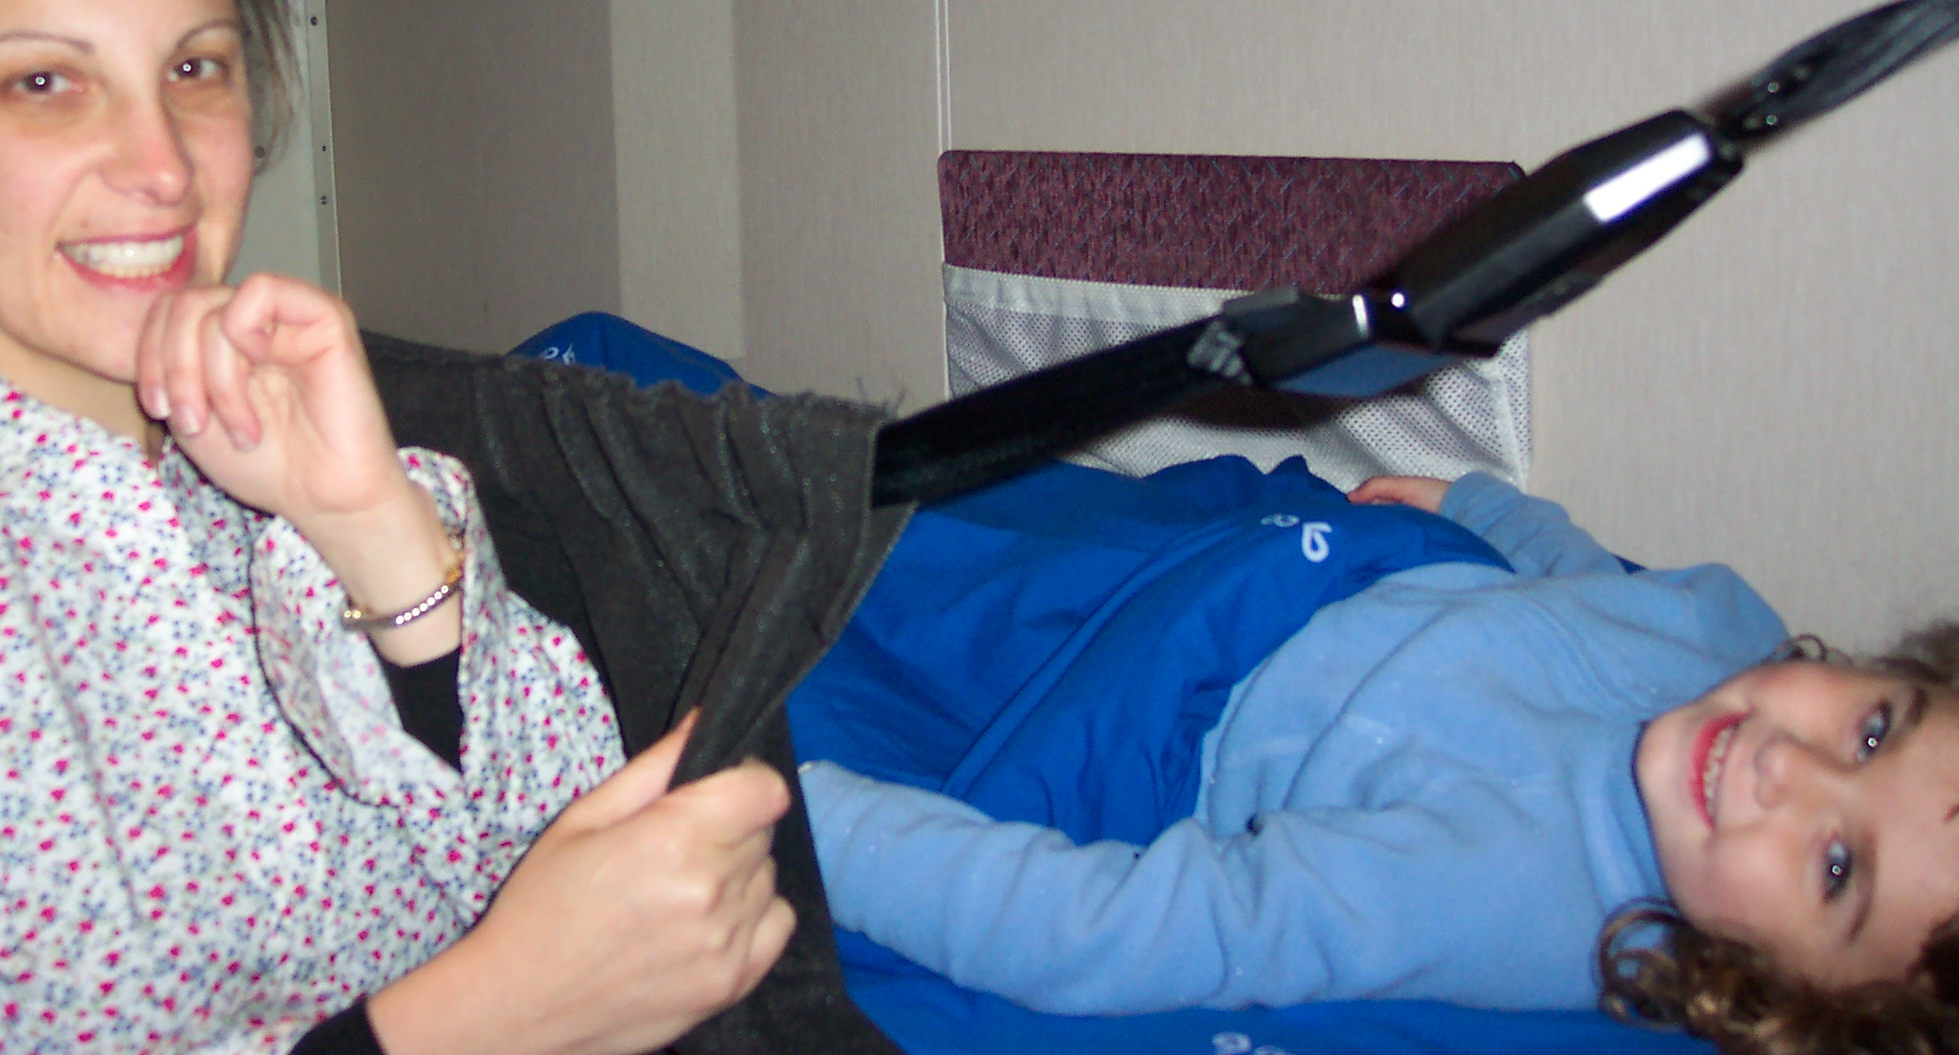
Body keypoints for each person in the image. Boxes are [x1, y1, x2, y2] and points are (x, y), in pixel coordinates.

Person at [0, 0, 810, 1054]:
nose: (161, 166)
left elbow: (564, 856)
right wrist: (480, 1019)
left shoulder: (250, 458)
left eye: (195, 67)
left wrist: (378, 533)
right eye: (44, 83)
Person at [794, 463, 1959, 1054]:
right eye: (1874, 731)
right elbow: (1595, 580)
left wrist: (808, 826)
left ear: (1794, 1011)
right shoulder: (1732, 631)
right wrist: (1483, 505)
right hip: (1273, 563)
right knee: (903, 506)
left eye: (1838, 869)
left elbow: (1137, 928)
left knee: (834, 627)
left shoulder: (1507, 895)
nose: (1787, 768)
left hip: (1159, 724)